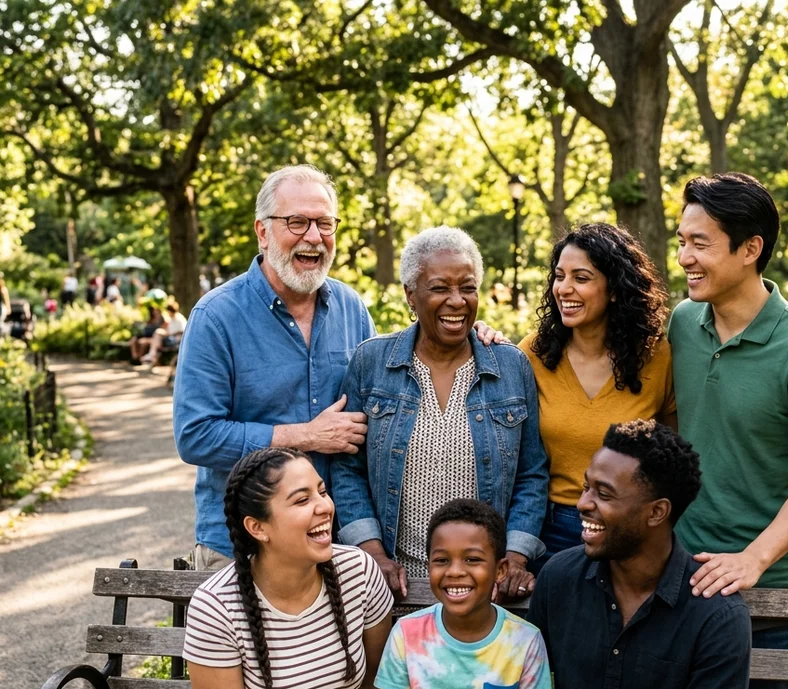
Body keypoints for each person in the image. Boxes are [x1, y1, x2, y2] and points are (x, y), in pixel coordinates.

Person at [174, 166, 506, 572]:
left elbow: (393, 384)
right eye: (297, 222)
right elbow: (195, 435)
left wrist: (472, 334)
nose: (313, 236)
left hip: (334, 545)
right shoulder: (216, 316)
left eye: (324, 223)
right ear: (262, 231)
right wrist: (306, 436)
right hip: (242, 547)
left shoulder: (351, 308)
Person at [670, 173, 788, 689]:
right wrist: (491, 342)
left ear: (751, 249)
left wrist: (753, 558)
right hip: (683, 579)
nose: (684, 257)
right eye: (681, 241)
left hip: (774, 595)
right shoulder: (682, 323)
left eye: (700, 244)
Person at [331, 227, 548, 602]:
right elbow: (347, 469)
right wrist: (372, 555)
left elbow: (532, 473)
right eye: (439, 288)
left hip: (483, 588)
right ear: (410, 296)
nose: (457, 301)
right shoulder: (372, 363)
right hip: (394, 586)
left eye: (467, 287)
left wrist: (514, 557)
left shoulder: (511, 366)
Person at [526, 420, 751, 689]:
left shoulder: (717, 616)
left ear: (657, 512)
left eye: (603, 494)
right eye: (586, 487)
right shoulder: (559, 578)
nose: (582, 503)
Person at [183, 447, 394, 689]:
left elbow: (377, 685)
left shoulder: (358, 571)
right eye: (302, 500)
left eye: (323, 491)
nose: (325, 507)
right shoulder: (216, 608)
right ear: (257, 528)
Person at [518, 223, 676, 564]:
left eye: (581, 277)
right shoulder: (533, 354)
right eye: (559, 276)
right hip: (549, 531)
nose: (564, 288)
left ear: (615, 288)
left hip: (628, 530)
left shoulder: (658, 356)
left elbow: (673, 453)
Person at [375, 499, 555, 689]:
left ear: (501, 570)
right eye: (441, 560)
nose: (455, 572)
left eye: (472, 559)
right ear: (428, 565)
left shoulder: (525, 641)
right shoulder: (405, 634)